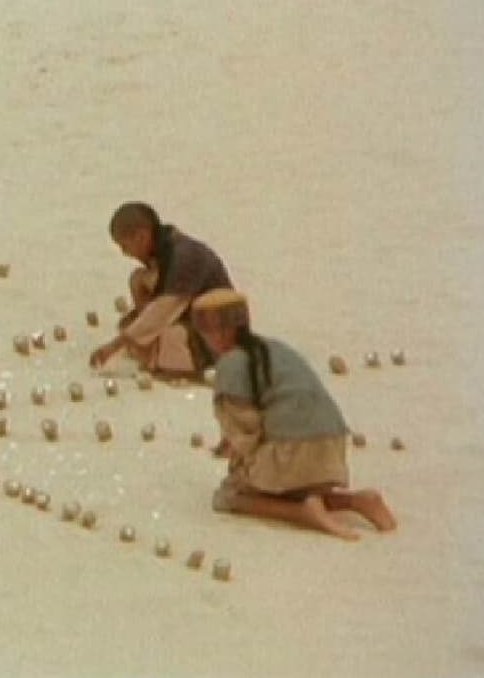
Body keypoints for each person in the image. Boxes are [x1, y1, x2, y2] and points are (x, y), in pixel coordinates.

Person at [192, 289, 396, 540]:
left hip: (294, 449)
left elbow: (244, 429)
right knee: (288, 484)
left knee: (230, 495)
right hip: (330, 445)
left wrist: (239, 460)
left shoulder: (231, 363)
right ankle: (356, 501)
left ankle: (303, 512)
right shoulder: (273, 348)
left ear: (214, 331)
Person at [89, 202, 233, 379]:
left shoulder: (186, 256)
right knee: (138, 281)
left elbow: (165, 309)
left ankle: (179, 367)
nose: (125, 253)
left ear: (141, 236)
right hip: (188, 316)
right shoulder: (163, 251)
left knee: (171, 337)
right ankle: (152, 349)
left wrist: (115, 345)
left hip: (218, 330)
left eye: (125, 246)